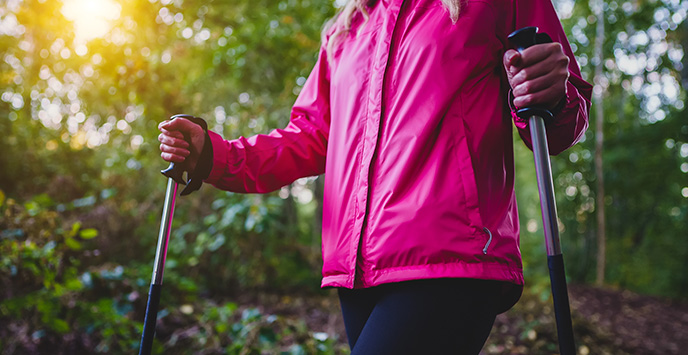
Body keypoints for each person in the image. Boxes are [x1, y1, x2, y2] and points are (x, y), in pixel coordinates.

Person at [158, 0, 592, 353]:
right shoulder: (348, 28)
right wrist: (212, 155)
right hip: (358, 272)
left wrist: (549, 94)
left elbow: (556, 124)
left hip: (449, 259)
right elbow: (308, 136)